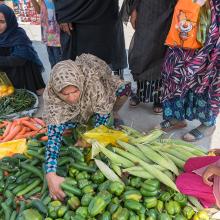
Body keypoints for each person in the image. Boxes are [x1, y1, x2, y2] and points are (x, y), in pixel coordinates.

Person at [43, 54, 131, 200]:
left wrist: (89, 139)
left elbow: (101, 122)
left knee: (122, 91)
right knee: (65, 123)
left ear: (80, 84)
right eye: (65, 94)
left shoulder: (92, 82)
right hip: (76, 108)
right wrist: (50, 174)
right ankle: (80, 116)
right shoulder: (52, 96)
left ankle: (114, 112)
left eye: (75, 91)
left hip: (97, 92)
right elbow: (53, 138)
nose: (71, 98)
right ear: (56, 91)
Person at [159, 0, 220, 141]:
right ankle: (175, 117)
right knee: (175, 71)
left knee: (206, 75)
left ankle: (207, 124)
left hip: (214, 22)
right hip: (185, 20)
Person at [120, 0, 176, 113]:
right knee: (142, 51)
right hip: (145, 9)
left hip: (169, 10)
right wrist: (134, 10)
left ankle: (159, 98)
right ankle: (141, 94)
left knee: (161, 53)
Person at [53, 0, 127, 78]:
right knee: (79, 76)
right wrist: (63, 13)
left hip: (106, 20)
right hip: (77, 22)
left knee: (110, 80)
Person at [0, 4, 45, 95]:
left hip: (21, 73)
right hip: (5, 77)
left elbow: (19, 59)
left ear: (10, 21)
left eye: (1, 21)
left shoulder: (19, 35)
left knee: (23, 97)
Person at [31, 0, 62, 68]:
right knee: (53, 64)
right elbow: (39, 10)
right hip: (47, 36)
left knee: (60, 65)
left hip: (57, 37)